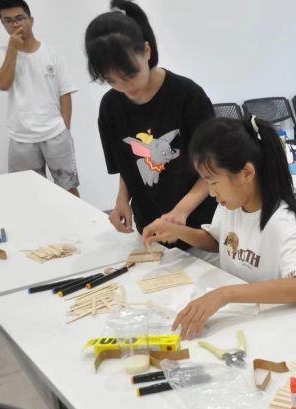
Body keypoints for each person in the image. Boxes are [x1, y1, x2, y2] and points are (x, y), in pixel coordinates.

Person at [142, 116, 296, 340]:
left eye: (213, 182)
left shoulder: (281, 222)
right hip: (241, 318)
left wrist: (225, 294)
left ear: (247, 173)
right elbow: (219, 242)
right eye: (207, 183)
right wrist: (178, 232)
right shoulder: (232, 204)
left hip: (275, 327)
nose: (211, 192)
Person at [85, 0, 216, 249]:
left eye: (130, 74)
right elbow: (127, 163)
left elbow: (215, 169)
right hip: (149, 230)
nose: (126, 87)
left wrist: (180, 213)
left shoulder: (188, 97)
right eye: (112, 81)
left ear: (146, 51)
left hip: (200, 230)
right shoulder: (111, 107)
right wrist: (122, 200)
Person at [0, 0, 80, 196]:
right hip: (21, 138)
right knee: (26, 193)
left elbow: (65, 92)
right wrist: (12, 49)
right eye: (8, 21)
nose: (15, 24)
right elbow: (3, 84)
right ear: (3, 24)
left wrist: (65, 129)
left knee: (69, 189)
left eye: (19, 18)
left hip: (56, 134)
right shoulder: (0, 54)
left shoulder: (51, 53)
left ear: (31, 20)